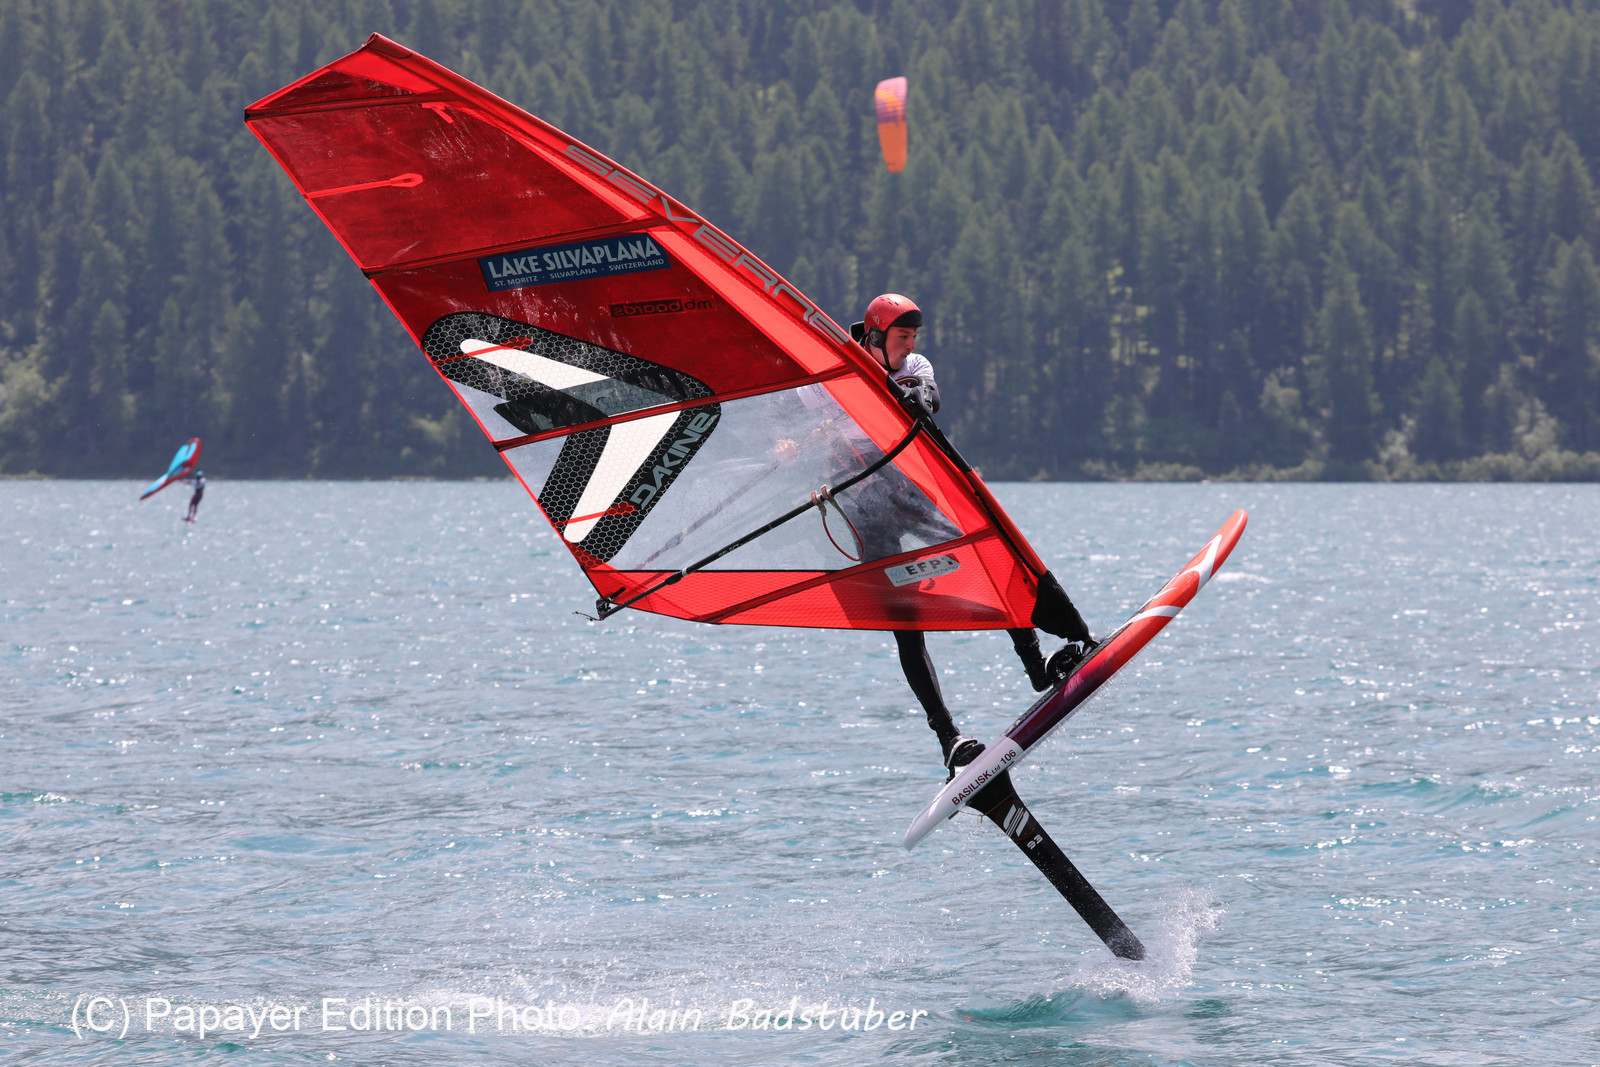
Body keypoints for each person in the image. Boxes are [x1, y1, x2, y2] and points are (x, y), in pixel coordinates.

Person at [844, 294, 1096, 779]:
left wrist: (912, 395)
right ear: (874, 337)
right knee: (907, 627)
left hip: (916, 496)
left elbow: (926, 397)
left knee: (993, 557)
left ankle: (1038, 669)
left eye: (914, 335)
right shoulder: (836, 366)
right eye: (902, 336)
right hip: (867, 515)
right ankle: (949, 740)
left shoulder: (914, 363)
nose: (911, 344)